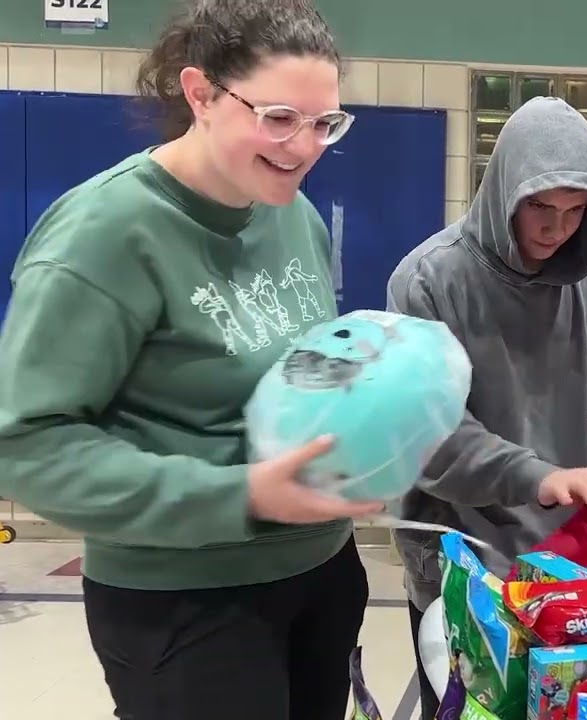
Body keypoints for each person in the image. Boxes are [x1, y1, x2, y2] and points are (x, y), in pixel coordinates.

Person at [0, 1, 379, 718]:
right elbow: (25, 444)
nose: (303, 147)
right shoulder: (106, 233)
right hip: (185, 598)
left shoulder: (292, 214)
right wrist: (240, 496)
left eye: (324, 123)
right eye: (278, 117)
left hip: (322, 570)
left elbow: (292, 376)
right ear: (201, 94)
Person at [386, 95, 587, 714]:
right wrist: (540, 478)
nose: (556, 229)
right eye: (540, 208)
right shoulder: (427, 281)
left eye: (575, 212)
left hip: (563, 565)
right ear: (503, 194)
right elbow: (428, 429)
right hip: (462, 562)